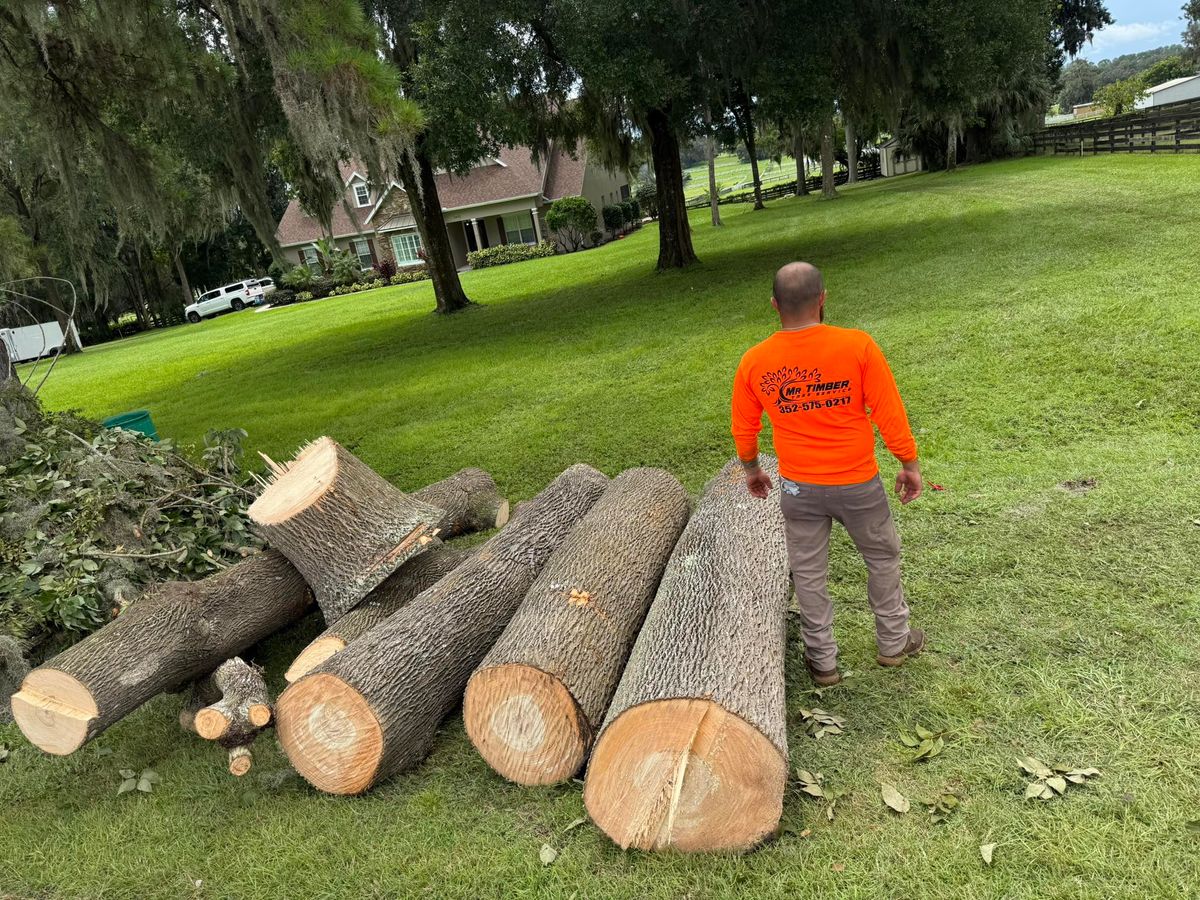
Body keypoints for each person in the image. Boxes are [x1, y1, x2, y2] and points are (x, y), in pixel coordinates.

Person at [731, 261, 925, 687]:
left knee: (809, 572)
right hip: (859, 485)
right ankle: (894, 642)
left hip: (800, 489)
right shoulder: (857, 346)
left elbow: (745, 428)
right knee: (881, 558)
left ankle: (823, 663)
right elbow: (888, 411)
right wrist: (907, 462)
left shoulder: (755, 361)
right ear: (822, 299)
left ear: (774, 305)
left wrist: (751, 469)